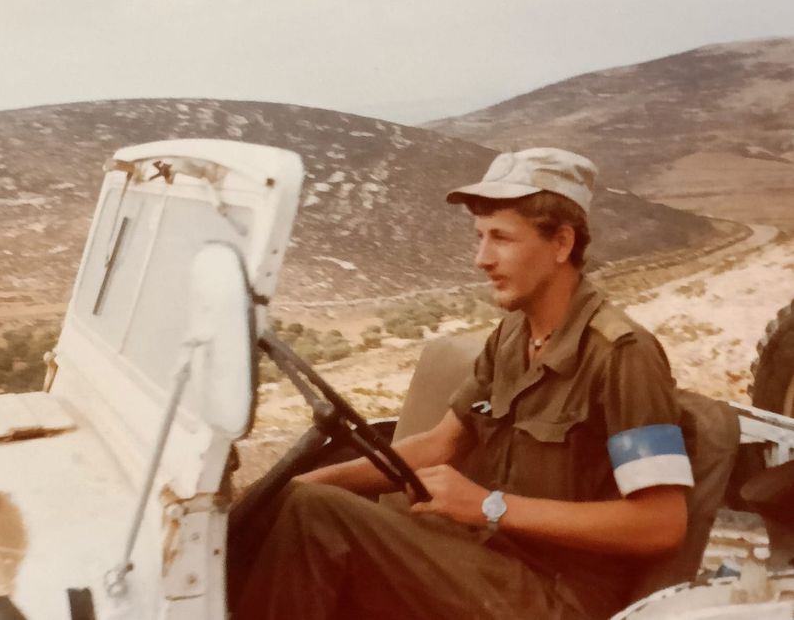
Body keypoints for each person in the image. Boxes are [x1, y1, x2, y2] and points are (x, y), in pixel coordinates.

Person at [229, 148, 694, 620]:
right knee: (296, 506)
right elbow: (440, 444)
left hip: (556, 595)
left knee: (318, 518)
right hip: (485, 560)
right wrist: (294, 484)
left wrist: (491, 507)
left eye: (502, 239)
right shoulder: (513, 335)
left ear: (561, 244)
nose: (481, 259)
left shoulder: (621, 354)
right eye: (479, 237)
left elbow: (661, 524)